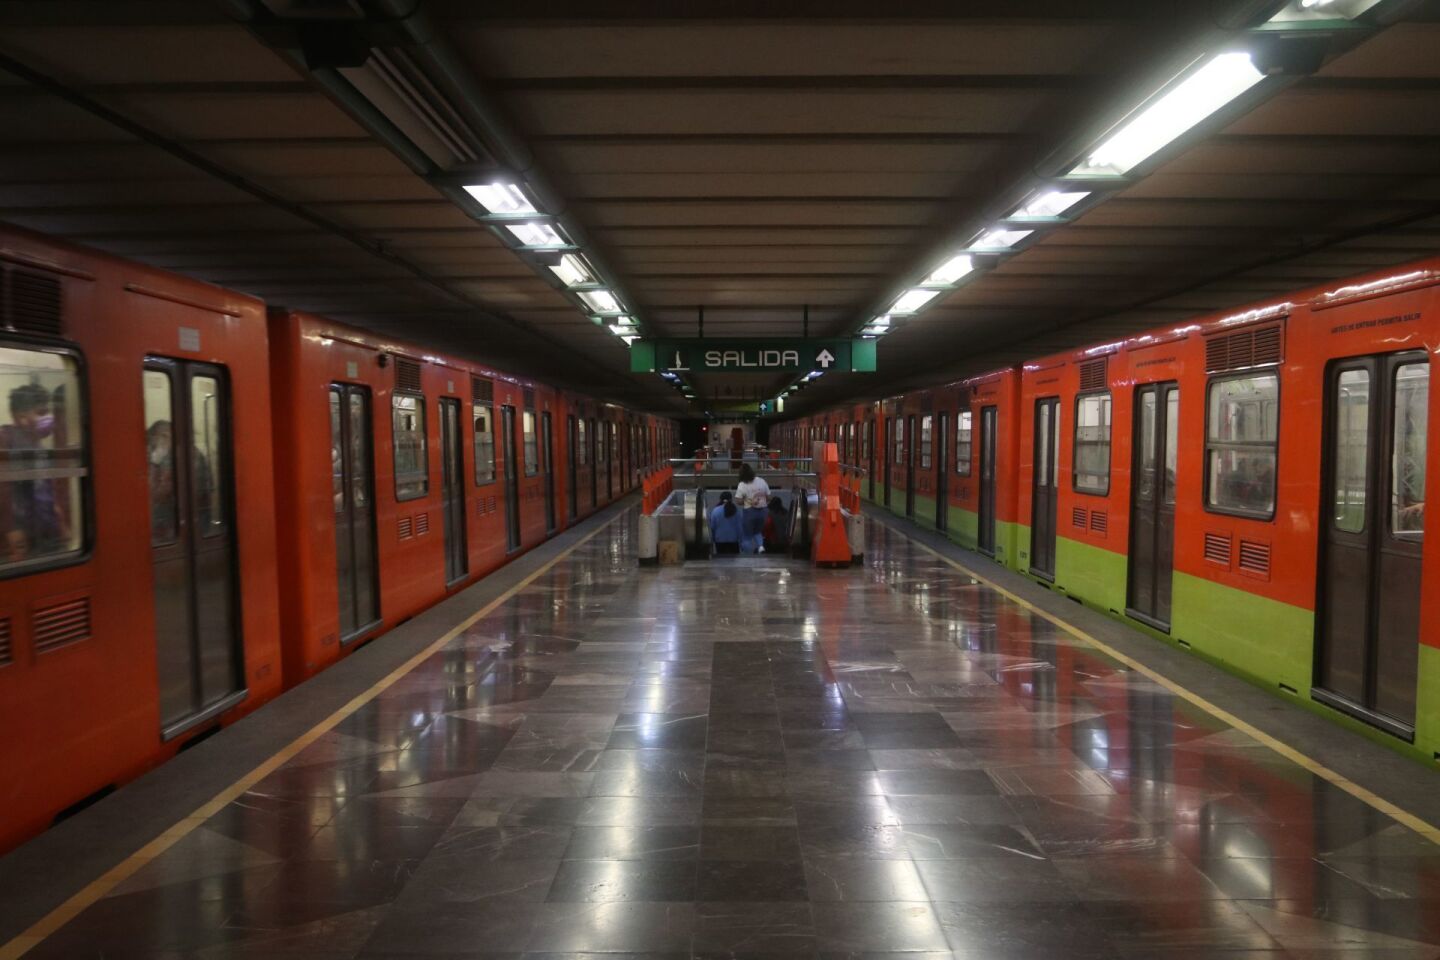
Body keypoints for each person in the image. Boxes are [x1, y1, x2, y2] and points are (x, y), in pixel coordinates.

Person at [0, 382, 63, 561]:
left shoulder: (37, 444)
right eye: (41, 413)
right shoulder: (5, 441)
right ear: (21, 417)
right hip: (19, 534)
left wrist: (59, 518)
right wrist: (11, 528)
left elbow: (45, 486)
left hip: (42, 531)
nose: (49, 418)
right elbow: (3, 490)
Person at [735, 462, 770, 554]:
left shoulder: (742, 484)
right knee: (758, 531)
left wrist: (746, 501)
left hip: (749, 512)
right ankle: (761, 546)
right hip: (763, 511)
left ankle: (748, 553)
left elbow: (738, 501)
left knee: (747, 535)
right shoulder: (761, 481)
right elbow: (768, 497)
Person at [708, 491, 743, 555]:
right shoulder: (736, 511)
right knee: (734, 562)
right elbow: (739, 527)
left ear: (720, 499)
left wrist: (712, 540)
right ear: (731, 499)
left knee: (721, 561)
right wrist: (741, 541)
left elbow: (712, 527)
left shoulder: (715, 511)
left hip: (719, 540)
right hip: (733, 540)